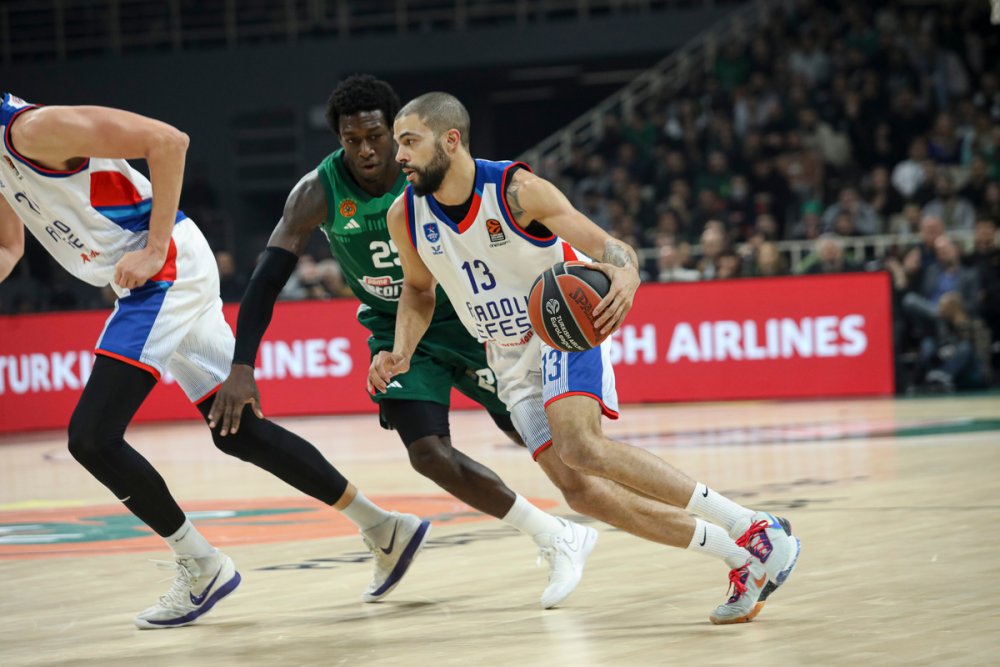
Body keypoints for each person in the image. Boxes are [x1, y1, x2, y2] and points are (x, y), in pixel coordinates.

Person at [0, 92, 430, 629]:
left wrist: (155, 249)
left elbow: (168, 140)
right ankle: (384, 526)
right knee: (238, 430)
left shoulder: (34, 129)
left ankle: (201, 564)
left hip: (163, 270)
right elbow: (8, 249)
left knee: (91, 436)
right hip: (152, 275)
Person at [371, 92, 802, 625]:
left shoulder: (517, 190)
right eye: (398, 145)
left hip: (562, 327)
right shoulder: (404, 216)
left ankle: (753, 527)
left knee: (581, 445)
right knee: (580, 492)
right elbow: (418, 292)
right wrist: (400, 352)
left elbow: (611, 247)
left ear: (450, 140)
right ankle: (744, 559)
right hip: (506, 361)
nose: (400, 156)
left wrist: (626, 270)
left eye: (409, 141)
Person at [208, 75, 594, 609]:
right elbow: (266, 280)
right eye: (351, 140)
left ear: (397, 131)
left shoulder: (426, 175)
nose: (366, 150)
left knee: (552, 447)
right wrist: (242, 364)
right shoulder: (317, 192)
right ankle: (553, 534)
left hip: (470, 320)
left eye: (376, 136)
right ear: (339, 140)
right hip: (399, 333)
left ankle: (668, 513)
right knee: (427, 453)